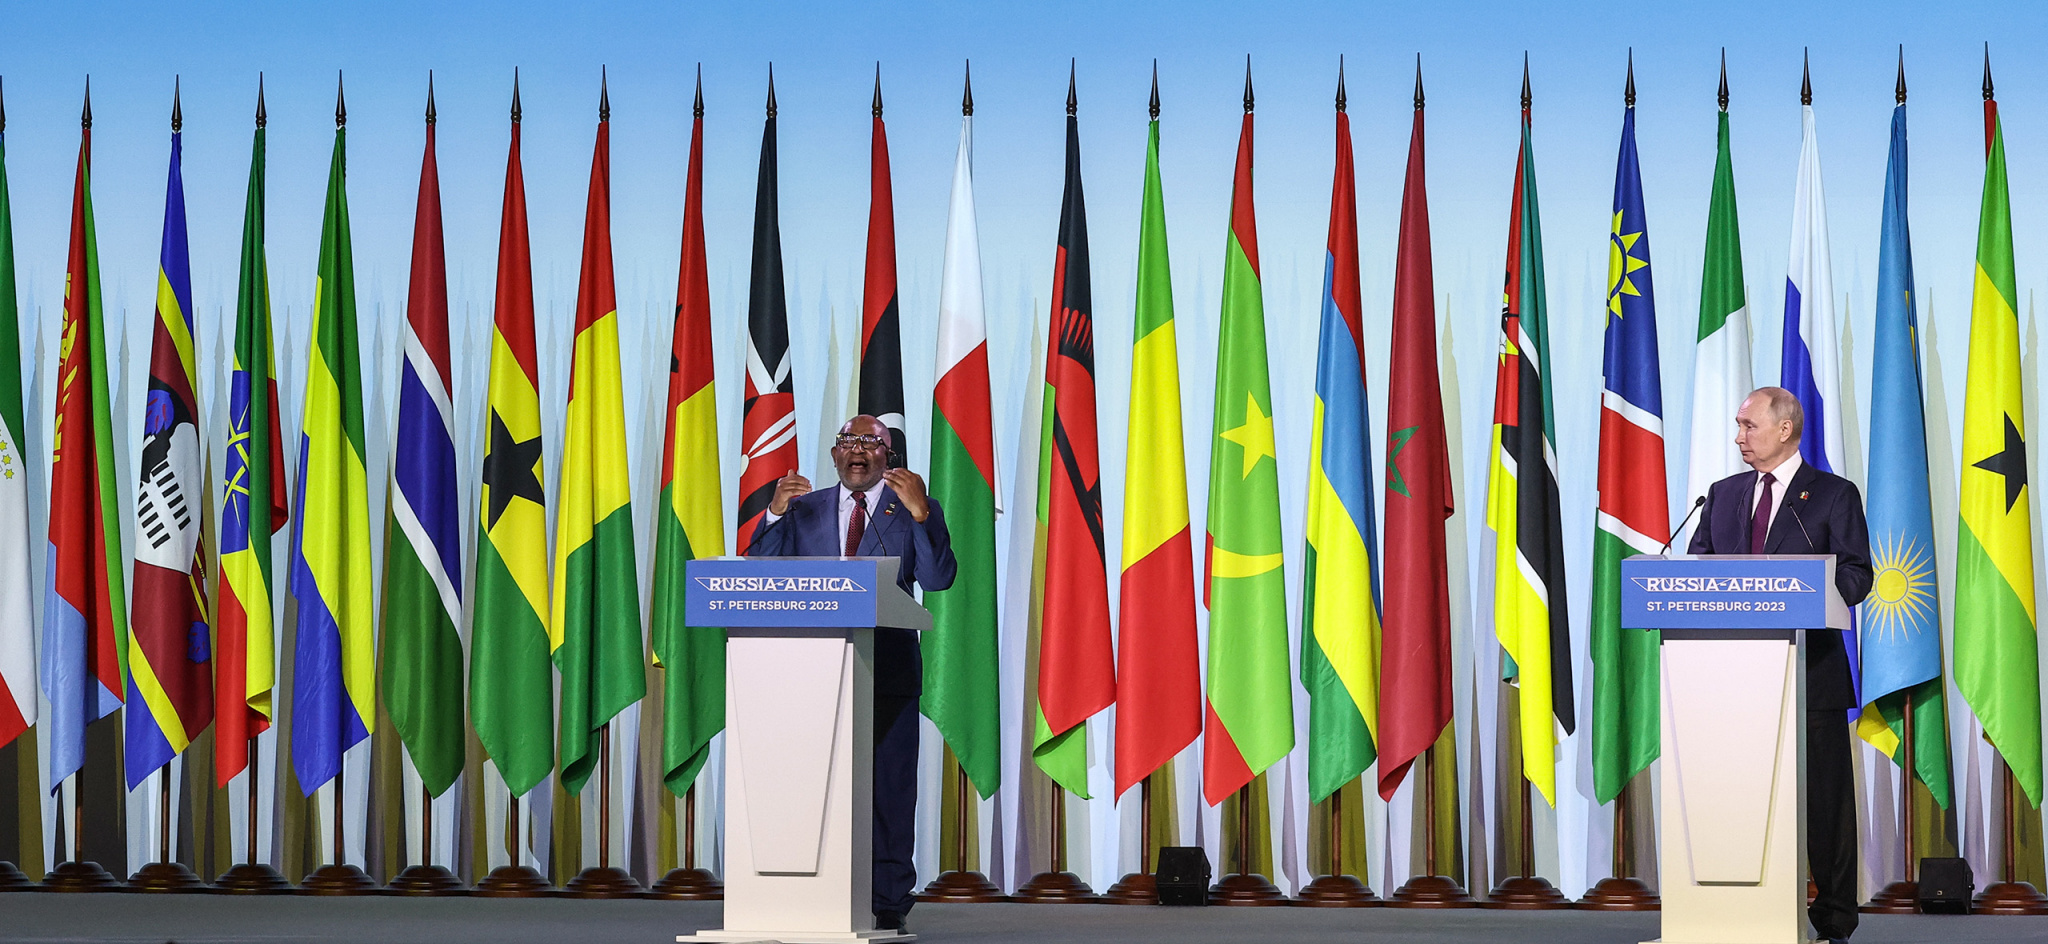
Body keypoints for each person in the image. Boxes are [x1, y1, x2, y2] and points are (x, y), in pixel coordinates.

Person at [745, 414, 956, 933]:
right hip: (812, 675)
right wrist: (773, 513)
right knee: (812, 786)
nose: (857, 450)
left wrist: (922, 513)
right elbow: (760, 570)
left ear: (889, 455)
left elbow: (937, 578)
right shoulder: (803, 507)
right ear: (835, 454)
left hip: (887, 672)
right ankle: (810, 890)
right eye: (847, 441)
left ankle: (888, 901)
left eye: (870, 442)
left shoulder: (911, 508)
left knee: (889, 791)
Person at [1686, 386, 1870, 944]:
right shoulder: (1722, 494)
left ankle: (1833, 920)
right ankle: (1738, 906)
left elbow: (1857, 574)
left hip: (1811, 674)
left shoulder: (1833, 494)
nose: (1739, 437)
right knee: (1738, 795)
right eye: (1739, 426)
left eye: (1749, 426)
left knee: (1824, 803)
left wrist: (1808, 594)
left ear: (1785, 430)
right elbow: (1698, 570)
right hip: (1734, 678)